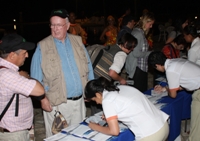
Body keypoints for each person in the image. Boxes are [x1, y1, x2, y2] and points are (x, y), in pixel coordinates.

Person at [30, 9, 94, 137]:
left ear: (68, 26)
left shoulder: (78, 42)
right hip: (57, 105)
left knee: (78, 136)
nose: (55, 29)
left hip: (79, 103)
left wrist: (90, 91)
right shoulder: (42, 46)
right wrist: (42, 99)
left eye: (59, 25)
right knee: (58, 138)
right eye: (52, 25)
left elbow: (88, 67)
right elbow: (35, 79)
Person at [0, 33, 51, 141]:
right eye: (24, 52)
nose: (27, 55)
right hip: (13, 135)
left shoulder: (6, 71)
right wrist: (27, 77)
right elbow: (39, 90)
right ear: (12, 55)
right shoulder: (8, 75)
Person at [85, 77, 169, 141]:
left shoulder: (107, 101)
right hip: (163, 126)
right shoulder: (119, 88)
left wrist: (95, 127)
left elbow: (114, 131)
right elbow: (125, 107)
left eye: (94, 100)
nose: (96, 103)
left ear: (98, 95)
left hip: (151, 134)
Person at [148, 51, 200, 141]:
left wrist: (169, 90)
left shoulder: (170, 70)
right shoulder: (175, 61)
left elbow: (173, 95)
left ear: (157, 65)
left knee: (196, 124)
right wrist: (165, 88)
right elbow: (184, 83)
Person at [125, 12, 155, 92]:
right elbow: (136, 53)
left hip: (140, 67)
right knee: (139, 93)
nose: (151, 27)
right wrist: (149, 53)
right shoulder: (138, 34)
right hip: (137, 68)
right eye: (150, 24)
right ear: (145, 22)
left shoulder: (139, 32)